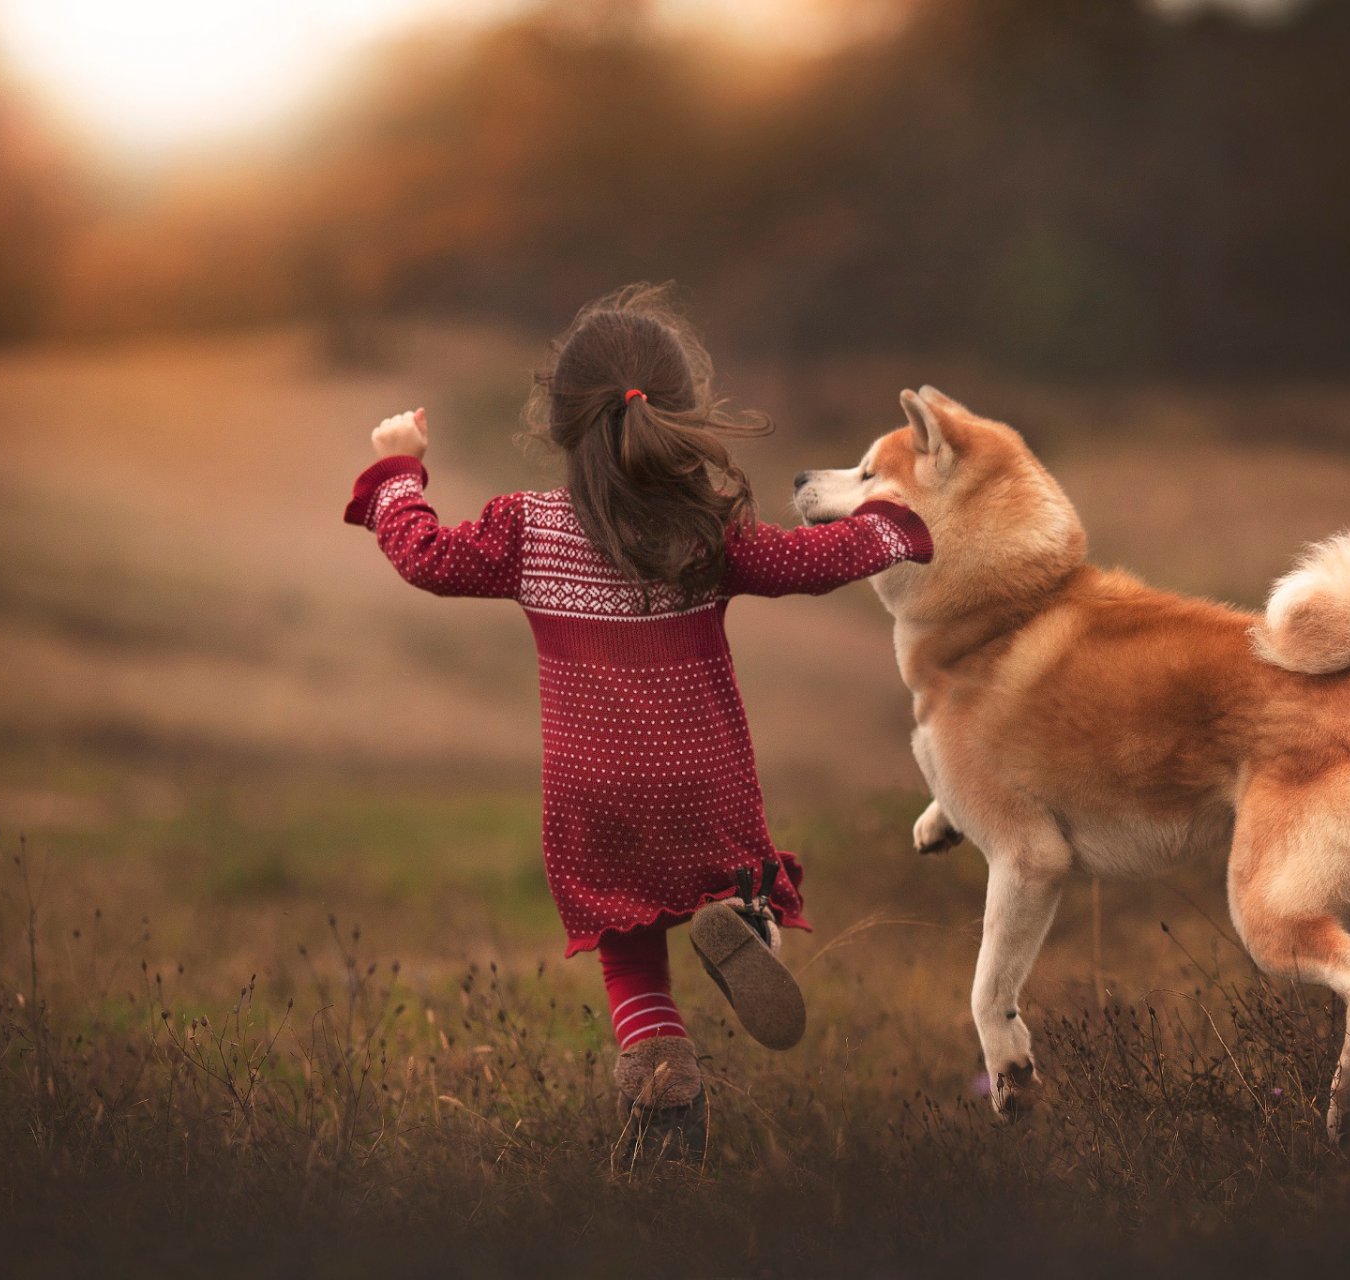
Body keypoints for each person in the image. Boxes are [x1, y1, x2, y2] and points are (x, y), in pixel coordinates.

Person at [344, 285, 932, 1159]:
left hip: (592, 799)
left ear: (562, 423)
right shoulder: (706, 534)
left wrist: (399, 469)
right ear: (679, 417)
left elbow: (424, 557)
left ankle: (664, 1084)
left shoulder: (528, 528)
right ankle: (743, 918)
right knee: (732, 880)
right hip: (702, 782)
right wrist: (894, 522)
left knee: (630, 955)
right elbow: (816, 560)